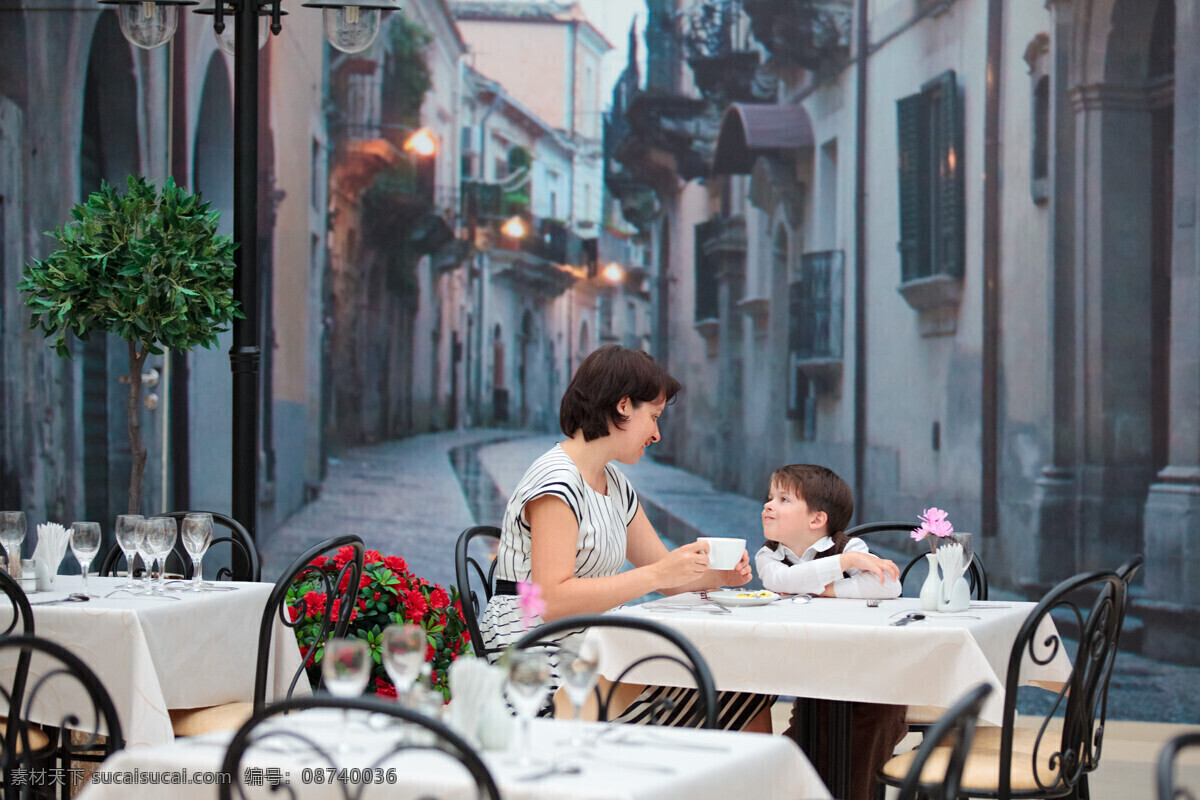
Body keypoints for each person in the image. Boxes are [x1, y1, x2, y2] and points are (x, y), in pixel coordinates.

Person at [478, 344, 775, 731]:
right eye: (652, 417)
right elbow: (549, 599)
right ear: (622, 406)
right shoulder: (556, 481)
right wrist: (657, 576)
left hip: (587, 649)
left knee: (744, 688)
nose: (656, 433)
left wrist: (720, 576)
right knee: (735, 692)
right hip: (536, 663)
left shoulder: (613, 482)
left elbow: (662, 570)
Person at [755, 463, 905, 800]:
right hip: (816, 679)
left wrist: (826, 590)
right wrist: (843, 566)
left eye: (782, 499)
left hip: (871, 678)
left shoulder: (848, 546)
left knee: (867, 737)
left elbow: (889, 587)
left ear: (816, 519)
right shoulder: (769, 555)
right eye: (769, 498)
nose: (768, 505)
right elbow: (781, 582)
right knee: (805, 747)